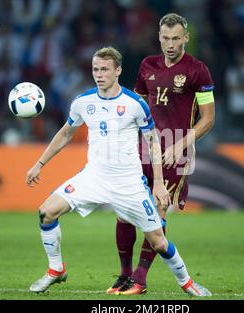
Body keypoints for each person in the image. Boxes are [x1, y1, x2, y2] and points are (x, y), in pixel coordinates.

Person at [27, 46, 211, 297]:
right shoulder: (83, 102)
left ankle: (187, 283)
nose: (99, 74)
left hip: (128, 183)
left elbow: (153, 143)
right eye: (95, 69)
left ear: (118, 71)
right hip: (93, 177)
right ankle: (56, 269)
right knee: (46, 212)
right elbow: (65, 134)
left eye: (104, 69)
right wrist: (39, 163)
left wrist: (157, 183)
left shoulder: (135, 104)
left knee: (158, 241)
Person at [108, 13, 215, 295]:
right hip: (140, 150)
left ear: (186, 38)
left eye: (176, 38)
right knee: (124, 215)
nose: (170, 44)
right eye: (166, 38)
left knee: (156, 213)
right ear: (159, 37)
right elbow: (137, 106)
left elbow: (208, 119)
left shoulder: (197, 70)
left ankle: (140, 280)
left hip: (173, 154)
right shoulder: (147, 65)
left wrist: (180, 145)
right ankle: (124, 275)